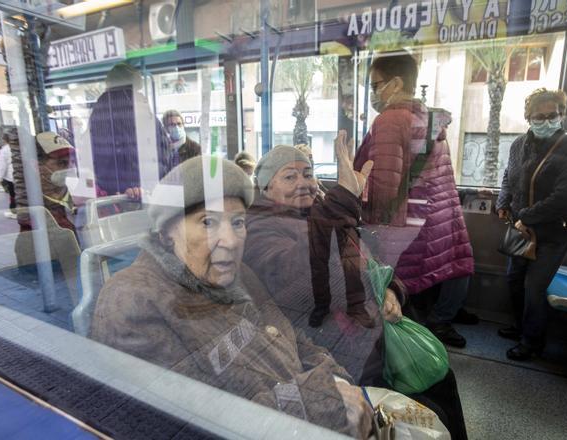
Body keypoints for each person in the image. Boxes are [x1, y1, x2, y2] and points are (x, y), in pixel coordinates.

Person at [90, 156, 373, 439]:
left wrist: (337, 383)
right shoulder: (133, 303)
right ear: (167, 234)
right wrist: (324, 401)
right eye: (208, 222)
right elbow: (188, 424)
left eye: (237, 222)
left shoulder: (238, 274)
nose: (231, 240)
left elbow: (293, 338)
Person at [244, 136, 468, 439]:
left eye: (307, 174)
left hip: (372, 332)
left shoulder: (323, 212)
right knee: (425, 411)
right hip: (335, 348)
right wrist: (342, 198)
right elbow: (303, 272)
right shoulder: (259, 228)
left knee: (440, 384)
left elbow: (369, 263)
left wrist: (392, 291)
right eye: (289, 176)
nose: (303, 182)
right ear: (266, 187)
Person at [352, 51, 475, 348]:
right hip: (435, 223)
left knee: (399, 307)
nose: (373, 92)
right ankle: (434, 329)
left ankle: (406, 358)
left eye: (375, 84)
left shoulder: (391, 119)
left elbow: (383, 184)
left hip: (404, 229)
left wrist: (367, 222)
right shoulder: (430, 119)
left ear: (395, 83)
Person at [496, 88, 567, 361]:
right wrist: (503, 202)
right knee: (514, 279)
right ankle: (520, 326)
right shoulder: (518, 145)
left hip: (554, 231)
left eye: (553, 115)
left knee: (534, 287)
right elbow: (508, 176)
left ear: (561, 116)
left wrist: (526, 215)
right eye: (540, 116)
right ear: (529, 117)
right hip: (522, 227)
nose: (547, 121)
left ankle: (532, 341)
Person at [14, 132, 81, 305]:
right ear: (36, 166)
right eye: (61, 163)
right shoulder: (33, 215)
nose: (69, 168)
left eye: (71, 162)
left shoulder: (66, 198)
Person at [89, 63, 172, 196]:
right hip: (144, 189)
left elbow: (94, 152)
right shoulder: (140, 105)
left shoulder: (100, 108)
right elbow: (162, 149)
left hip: (110, 190)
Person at [0, 130, 16, 219]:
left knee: (13, 194)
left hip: (12, 175)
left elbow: (2, 166)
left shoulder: (4, 150)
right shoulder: (22, 147)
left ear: (5, 139)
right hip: (24, 175)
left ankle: (14, 212)